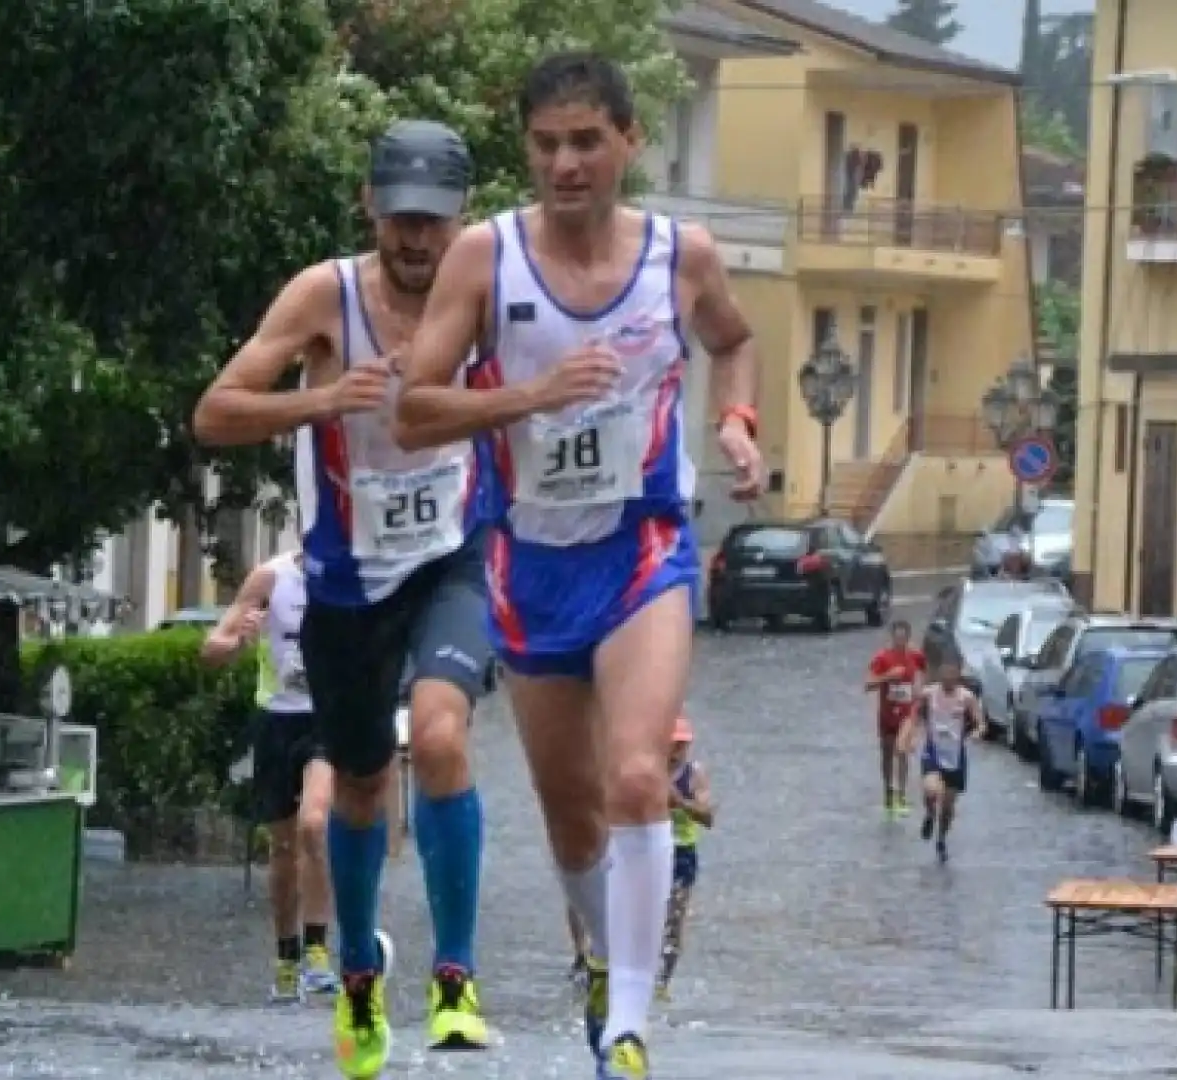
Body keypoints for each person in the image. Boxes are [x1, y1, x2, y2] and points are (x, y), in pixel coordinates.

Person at [390, 51, 764, 1080]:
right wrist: (529, 398)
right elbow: (415, 407)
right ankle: (607, 964)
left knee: (641, 775)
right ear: (529, 149)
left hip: (643, 539)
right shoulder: (482, 258)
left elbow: (735, 339)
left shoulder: (681, 257)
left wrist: (737, 418)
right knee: (572, 813)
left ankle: (630, 1031)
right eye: (547, 144)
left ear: (629, 143)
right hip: (528, 558)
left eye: (587, 142)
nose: (566, 164)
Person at [191, 119, 496, 1077]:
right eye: (401, 219)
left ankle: (455, 982)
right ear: (370, 206)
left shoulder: (486, 291)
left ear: (462, 220)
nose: (416, 241)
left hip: (451, 557)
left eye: (435, 222)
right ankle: (359, 974)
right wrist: (321, 400)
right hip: (347, 582)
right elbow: (214, 414)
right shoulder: (326, 295)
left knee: (442, 737)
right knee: (363, 781)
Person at [200, 551, 338, 1001]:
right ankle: (286, 956)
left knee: (313, 826)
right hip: (277, 722)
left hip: (324, 721)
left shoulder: (348, 573)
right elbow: (211, 649)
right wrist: (239, 642)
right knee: (282, 848)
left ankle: (318, 952)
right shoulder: (270, 578)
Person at [904, 655, 984, 862]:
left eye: (952, 673)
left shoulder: (966, 697)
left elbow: (980, 722)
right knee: (931, 789)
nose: (948, 677)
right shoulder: (928, 694)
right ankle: (930, 813)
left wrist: (977, 732)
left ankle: (941, 839)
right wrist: (910, 737)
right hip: (934, 752)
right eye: (944, 672)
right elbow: (914, 715)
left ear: (958, 674)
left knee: (948, 807)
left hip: (956, 756)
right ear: (939, 673)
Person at [657, 716, 713, 1002]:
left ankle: (662, 981)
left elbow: (709, 817)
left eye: (682, 744)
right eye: (672, 744)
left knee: (674, 920)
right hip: (651, 850)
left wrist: (679, 802)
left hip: (682, 852)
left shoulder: (694, 774)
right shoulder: (648, 770)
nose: (677, 750)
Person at [864, 621, 927, 818]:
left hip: (907, 712)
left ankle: (901, 795)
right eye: (897, 638)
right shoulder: (882, 658)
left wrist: (920, 690)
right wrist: (887, 676)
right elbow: (868, 685)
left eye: (904, 638)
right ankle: (888, 793)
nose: (901, 642)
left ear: (908, 637)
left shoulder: (915, 655)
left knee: (902, 752)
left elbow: (925, 670)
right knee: (887, 753)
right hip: (887, 714)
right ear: (892, 637)